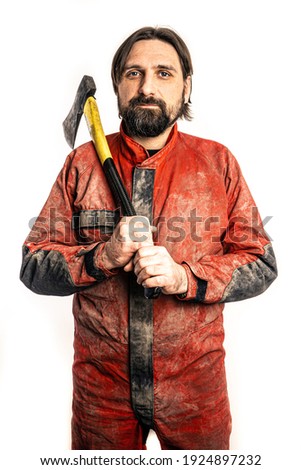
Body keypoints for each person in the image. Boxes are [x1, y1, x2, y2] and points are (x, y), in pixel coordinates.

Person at [20, 26, 277, 450]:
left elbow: (261, 263)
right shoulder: (81, 165)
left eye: (163, 73)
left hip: (196, 393)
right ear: (118, 84)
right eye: (134, 73)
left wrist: (185, 278)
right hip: (101, 396)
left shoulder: (217, 163)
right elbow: (32, 266)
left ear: (186, 85)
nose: (146, 87)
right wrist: (101, 256)